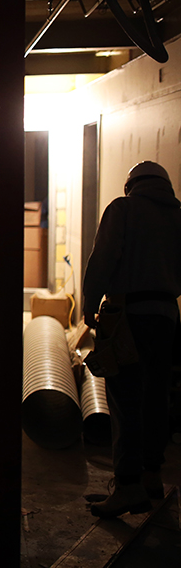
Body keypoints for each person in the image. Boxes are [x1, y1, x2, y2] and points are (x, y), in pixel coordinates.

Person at [82, 160, 181, 518]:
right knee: (156, 398)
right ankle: (151, 476)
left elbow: (103, 259)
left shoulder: (123, 209)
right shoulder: (178, 216)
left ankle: (127, 487)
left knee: (124, 400)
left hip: (128, 318)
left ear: (132, 186)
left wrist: (90, 305)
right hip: (167, 317)